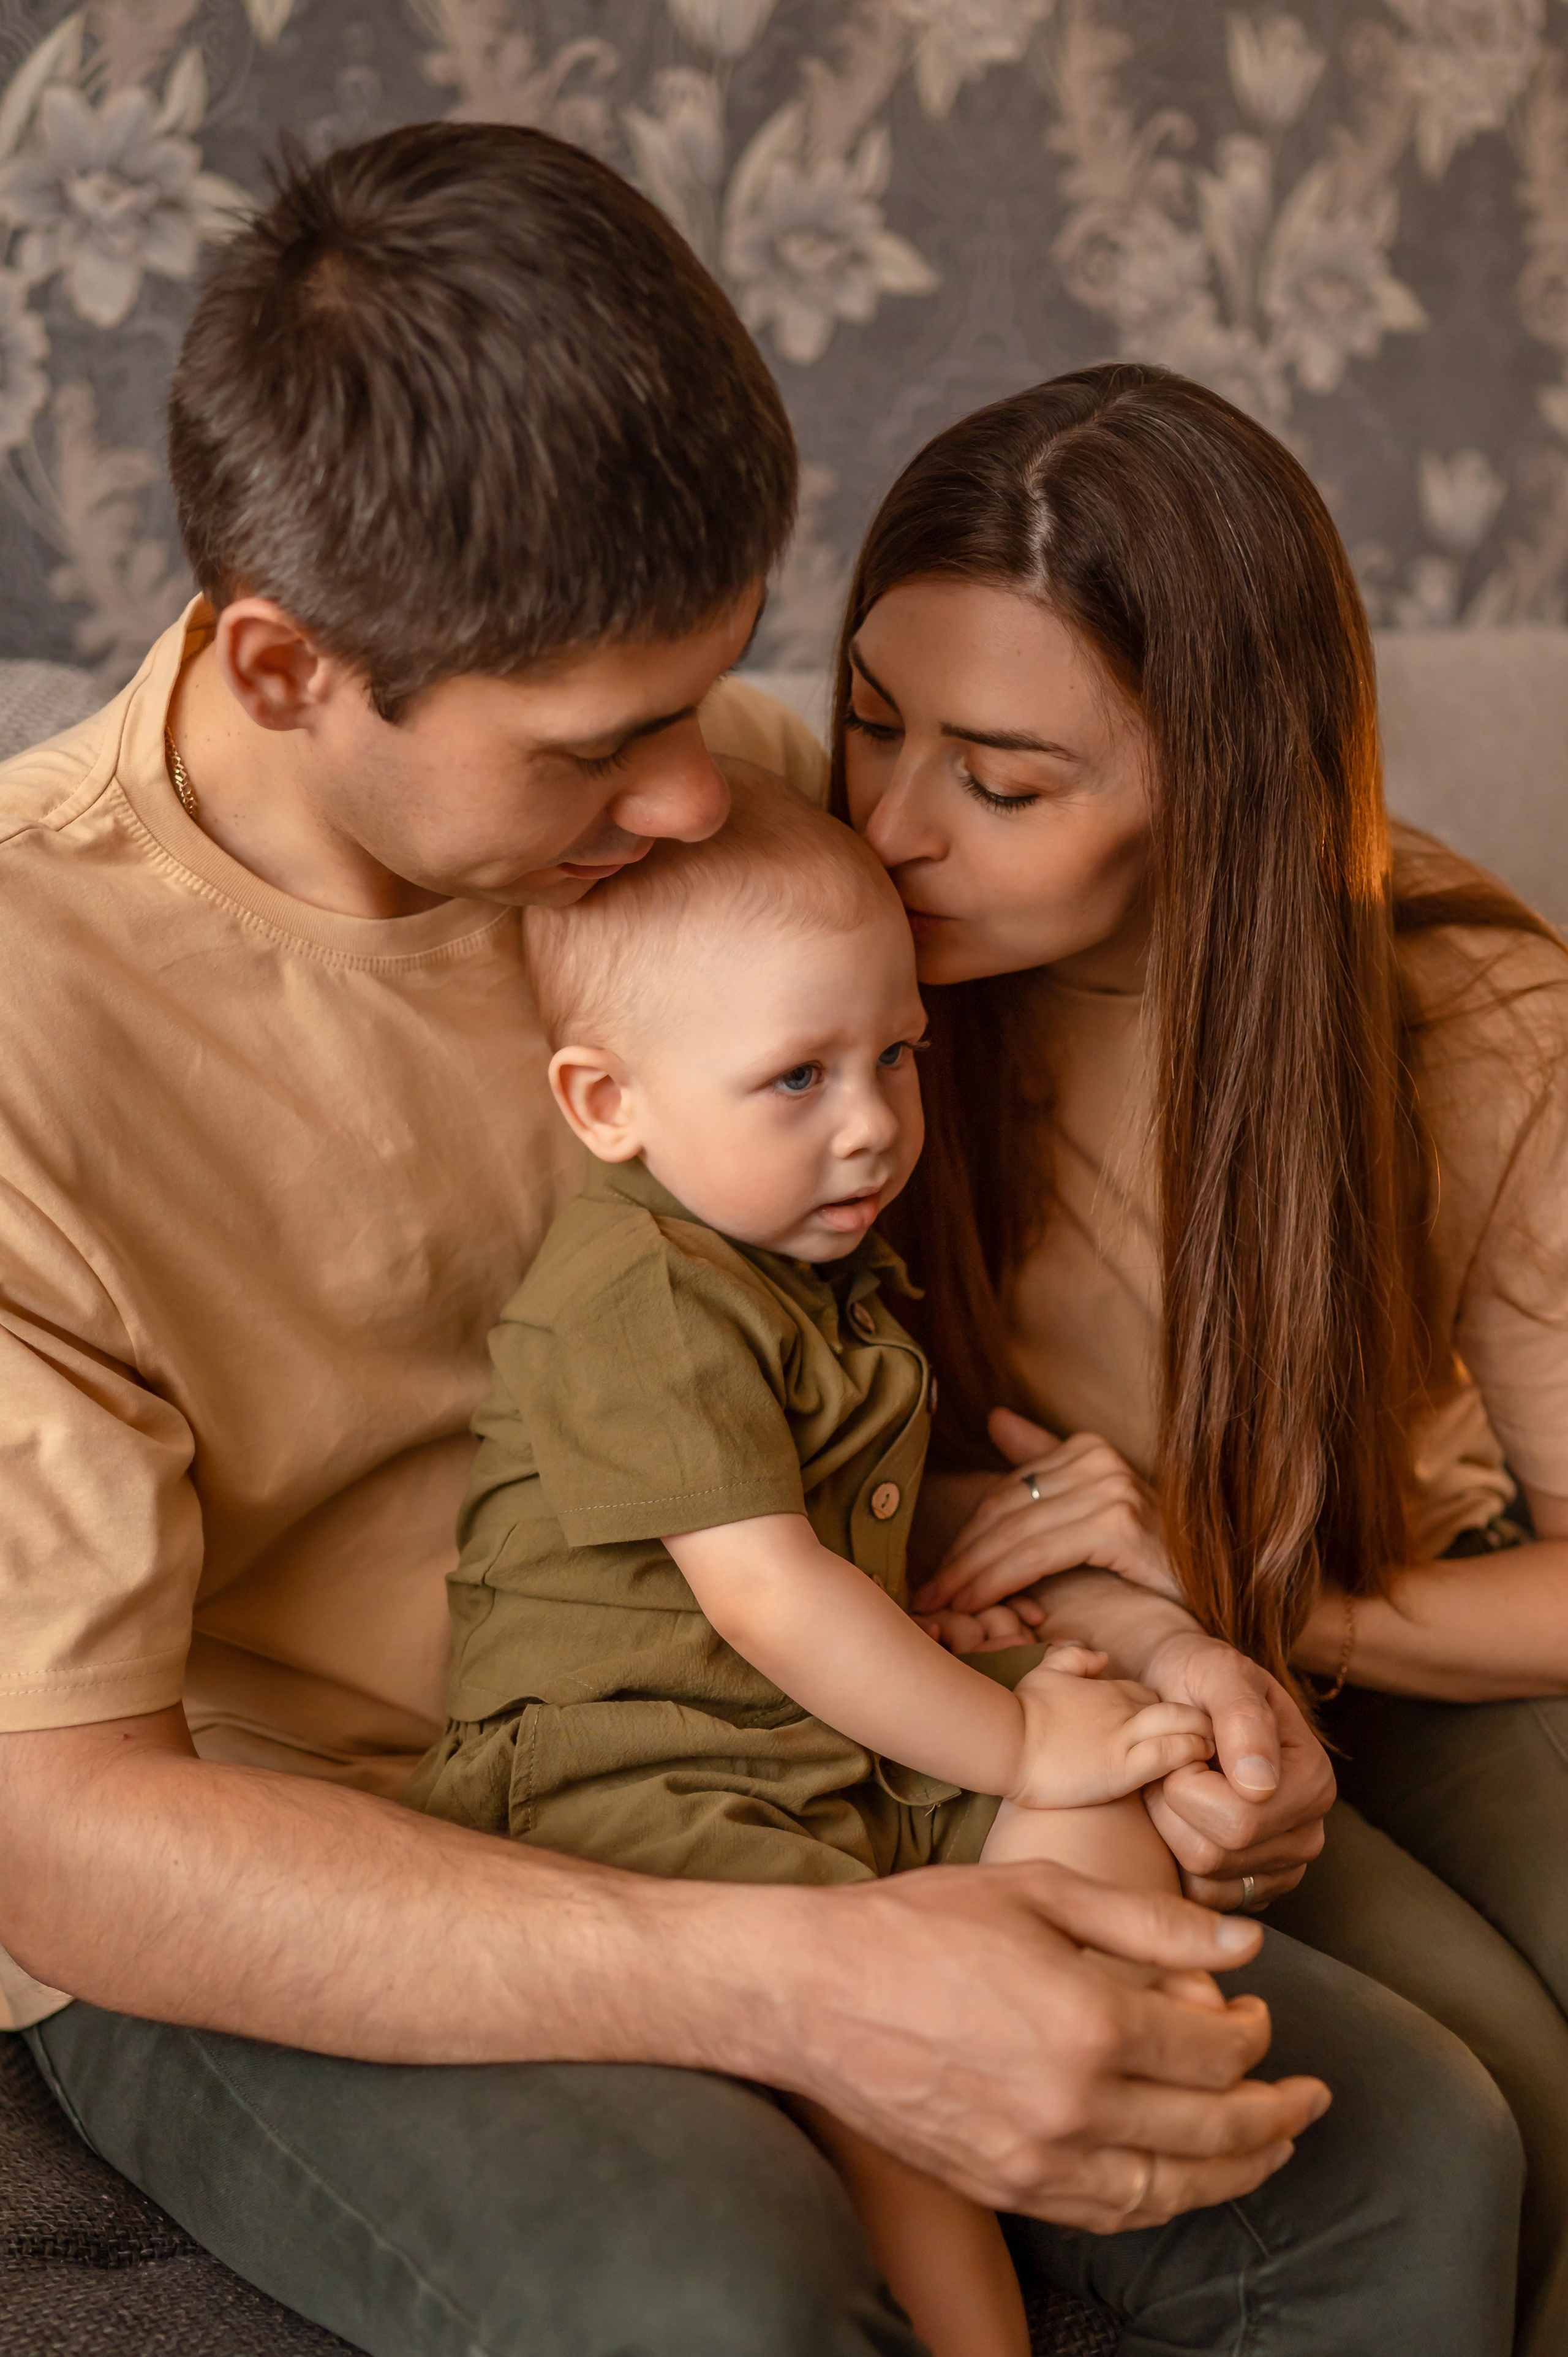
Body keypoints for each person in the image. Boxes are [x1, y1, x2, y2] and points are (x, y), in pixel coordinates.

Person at [0, 129, 1515, 2357]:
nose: (703, 798)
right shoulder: (33, 1014)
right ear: (289, 666)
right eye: (598, 750)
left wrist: (1155, 1642)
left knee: (1406, 2161)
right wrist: (805, 1986)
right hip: (321, 1841)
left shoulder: (720, 803)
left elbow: (856, 1383)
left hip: (805, 1737)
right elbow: (58, 1829)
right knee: (716, 2288)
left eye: (711, 697)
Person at [834, 359, 1567, 2355]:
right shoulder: (818, 982)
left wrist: (1257, 1589)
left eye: (1001, 785)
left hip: (1398, 1608)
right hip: (1066, 1658)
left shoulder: (1464, 1019)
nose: (890, 828)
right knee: (1473, 2096)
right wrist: (1157, 1627)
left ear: (1222, 782)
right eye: (872, 724)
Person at [410, 773, 1233, 2357]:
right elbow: (767, 1591)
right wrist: (1012, 1737)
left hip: (799, 1742)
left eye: (895, 1055)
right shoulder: (645, 1291)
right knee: (891, 2041)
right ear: (607, 1103)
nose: (872, 1123)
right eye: (798, 1075)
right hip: (634, 1770)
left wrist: (991, 1665)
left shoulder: (797, 1253)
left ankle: (1102, 2038)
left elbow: (846, 1545)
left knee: (1118, 1759)